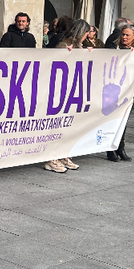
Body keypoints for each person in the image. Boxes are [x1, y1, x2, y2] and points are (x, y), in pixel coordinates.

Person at [44, 20, 91, 173]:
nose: (87, 36)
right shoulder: (63, 43)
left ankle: (63, 153)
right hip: (59, 91)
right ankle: (51, 158)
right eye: (86, 33)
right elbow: (52, 62)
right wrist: (65, 53)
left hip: (72, 90)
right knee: (56, 125)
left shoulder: (80, 46)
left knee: (67, 126)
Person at [107, 24, 134, 162]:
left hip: (128, 92)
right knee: (112, 120)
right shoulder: (113, 48)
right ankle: (111, 150)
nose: (124, 37)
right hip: (114, 91)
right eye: (123, 34)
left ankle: (121, 148)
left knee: (123, 121)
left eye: (128, 35)